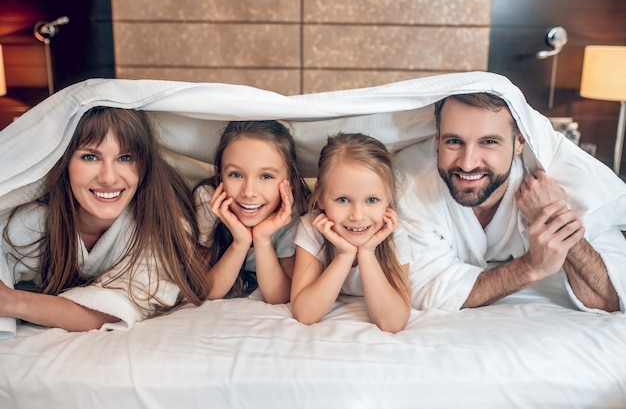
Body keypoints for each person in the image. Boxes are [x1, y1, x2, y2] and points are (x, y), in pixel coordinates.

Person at [397, 92, 626, 313]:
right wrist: (532, 267)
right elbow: (428, 288)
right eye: (454, 141)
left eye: (488, 142)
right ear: (437, 140)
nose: (467, 163)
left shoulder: (555, 179)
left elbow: (608, 298)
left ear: (519, 143)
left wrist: (553, 216)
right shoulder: (413, 183)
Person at [0, 107, 209, 334]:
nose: (108, 178)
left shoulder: (162, 225)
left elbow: (111, 307)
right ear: (65, 162)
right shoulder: (31, 222)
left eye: (125, 157)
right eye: (90, 157)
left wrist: (14, 302)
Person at [290, 133, 412, 333]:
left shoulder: (394, 236)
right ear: (320, 196)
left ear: (388, 199)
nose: (357, 216)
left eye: (372, 200)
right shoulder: (312, 228)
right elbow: (305, 313)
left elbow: (393, 323)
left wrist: (367, 252)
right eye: (343, 200)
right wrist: (345, 255)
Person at [193, 120, 310, 304]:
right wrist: (241, 242)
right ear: (220, 176)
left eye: (266, 176)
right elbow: (206, 291)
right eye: (236, 174)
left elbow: (279, 297)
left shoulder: (293, 212)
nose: (249, 192)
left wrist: (262, 239)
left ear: (290, 183)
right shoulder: (209, 200)